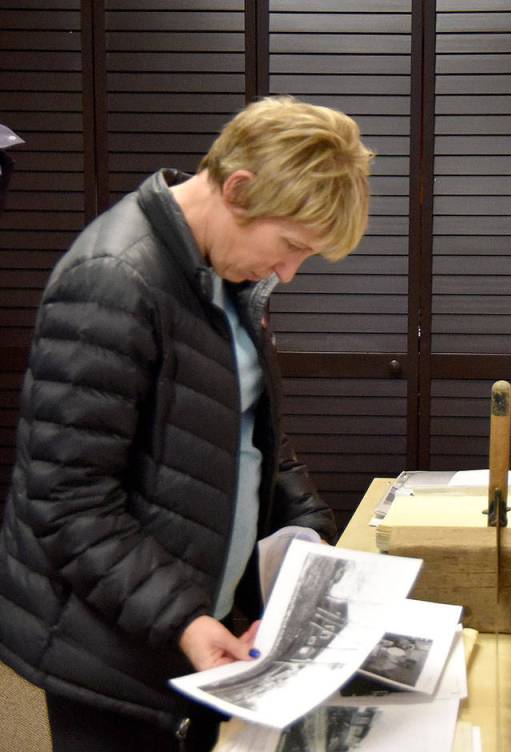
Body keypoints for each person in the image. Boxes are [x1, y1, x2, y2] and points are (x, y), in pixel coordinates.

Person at [0, 96, 373, 750]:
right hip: (113, 651)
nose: (289, 272)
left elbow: (255, 436)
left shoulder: (225, 273)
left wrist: (306, 543)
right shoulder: (113, 281)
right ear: (238, 188)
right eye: (290, 246)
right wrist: (184, 618)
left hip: (200, 633)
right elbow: (68, 502)